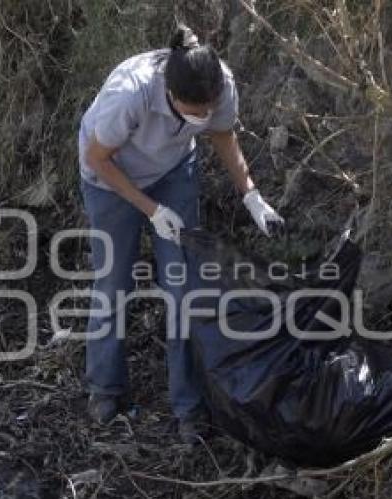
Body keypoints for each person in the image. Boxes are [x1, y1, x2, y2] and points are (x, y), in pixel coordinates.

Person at [77, 24, 285, 443]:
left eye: (206, 108)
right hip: (110, 180)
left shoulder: (218, 84)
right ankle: (105, 389)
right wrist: (151, 210)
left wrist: (252, 197)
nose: (201, 117)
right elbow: (97, 158)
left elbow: (223, 135)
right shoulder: (130, 94)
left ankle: (188, 407)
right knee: (113, 284)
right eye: (192, 110)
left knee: (184, 290)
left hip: (174, 172)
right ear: (169, 94)